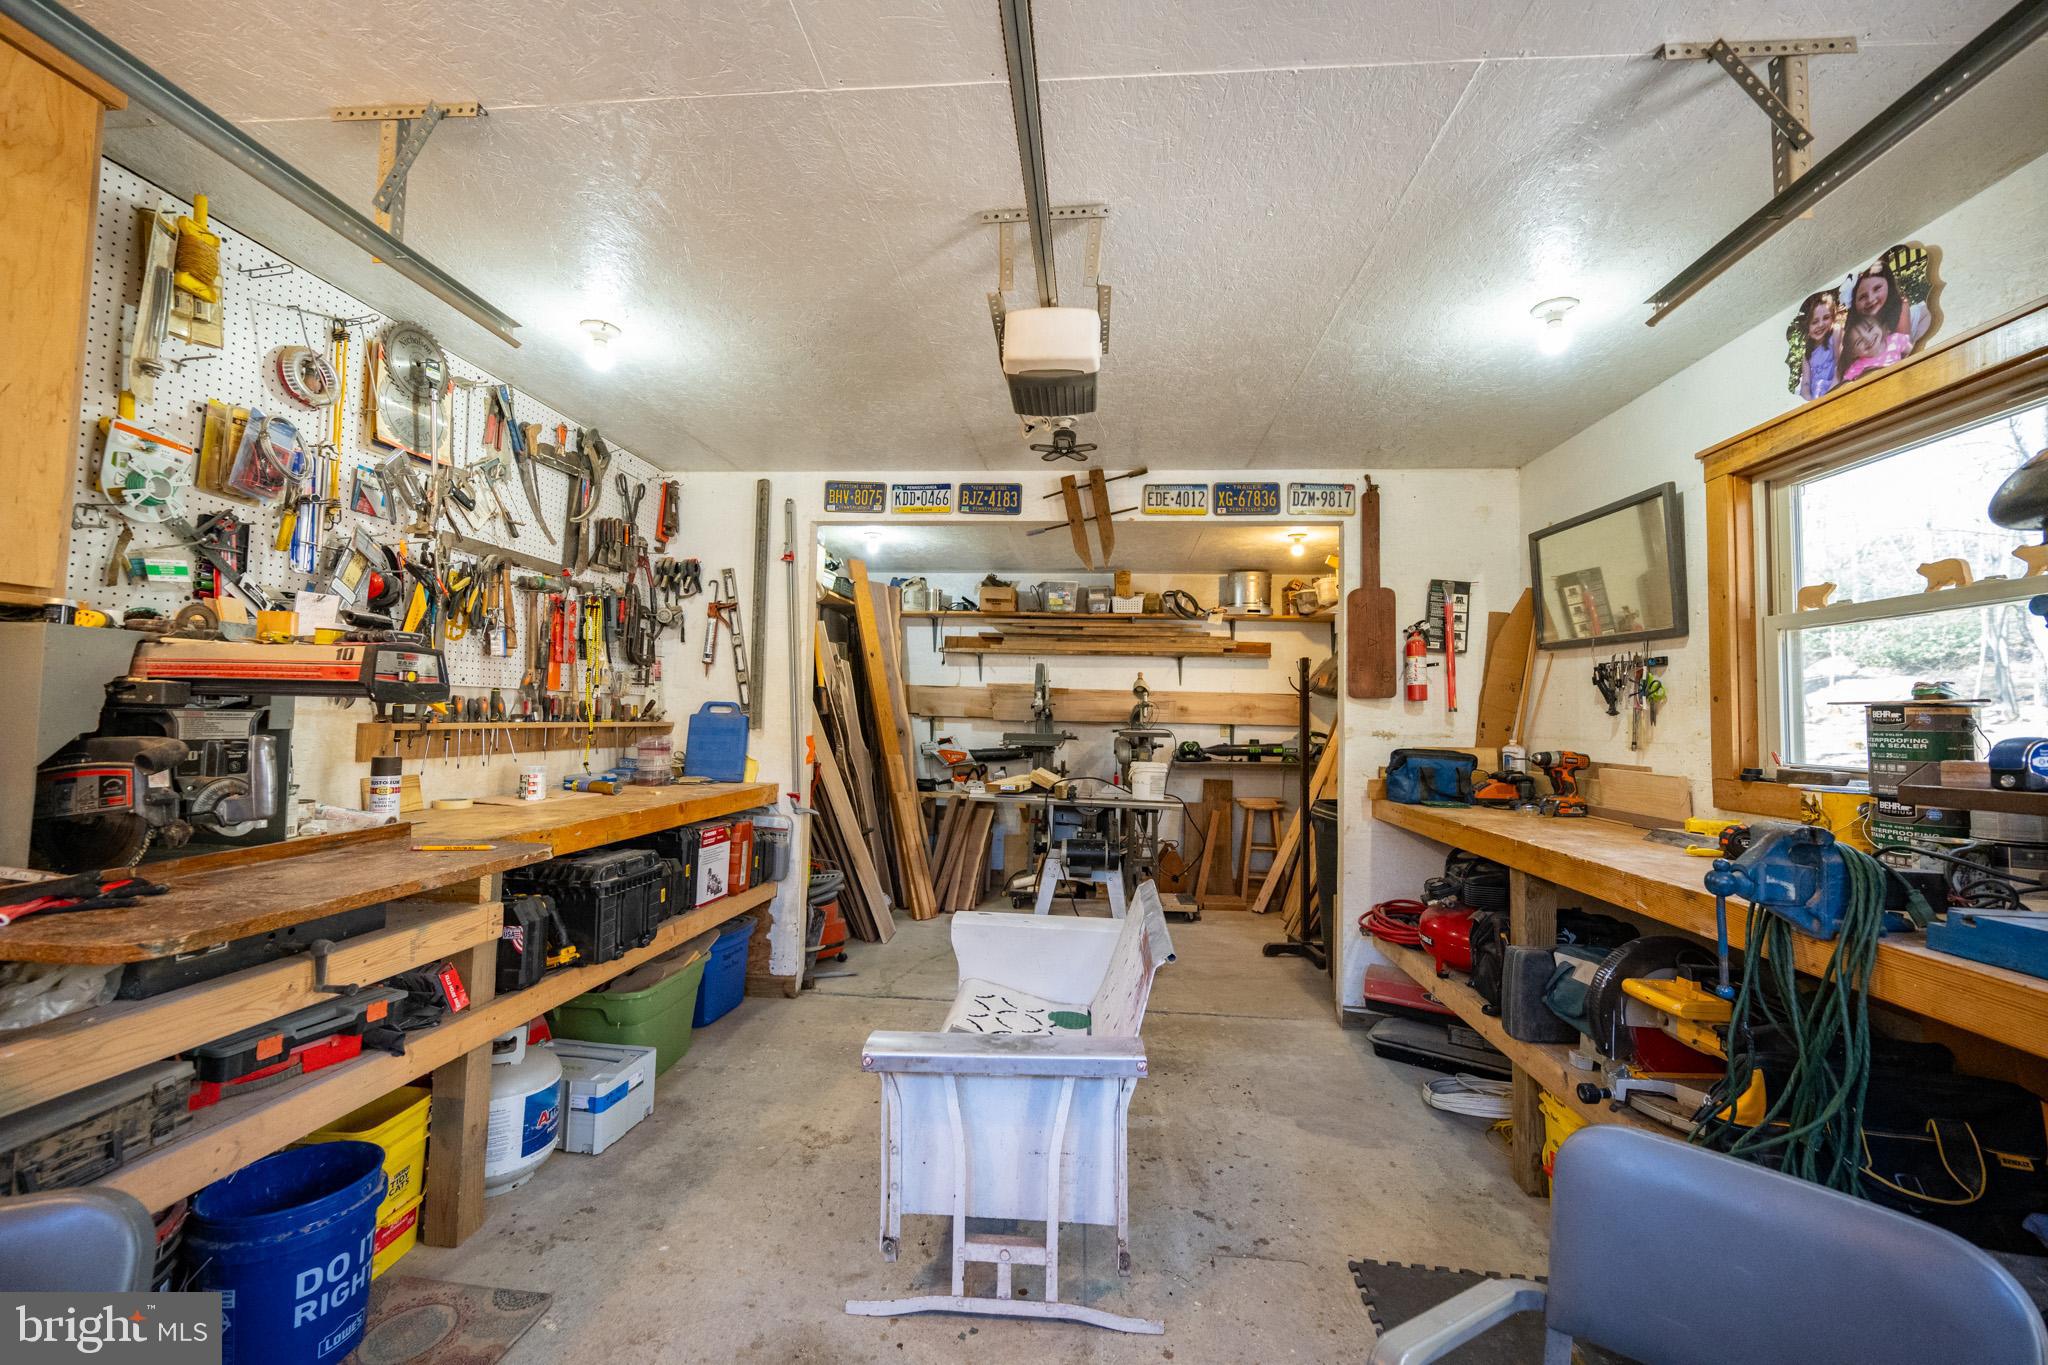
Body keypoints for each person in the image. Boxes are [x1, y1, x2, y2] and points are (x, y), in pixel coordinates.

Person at [1840, 261, 1923, 384]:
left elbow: (1909, 351)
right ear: (1854, 303)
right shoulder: (1855, 331)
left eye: (1877, 288)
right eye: (1862, 297)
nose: (1871, 299)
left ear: (1888, 285)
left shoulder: (1899, 307)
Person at [1793, 289, 1842, 400]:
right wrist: (1810, 400)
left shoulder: (1836, 333)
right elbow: (1805, 383)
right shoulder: (1807, 355)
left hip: (1835, 388)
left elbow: (1840, 367)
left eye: (1826, 318)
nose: (1821, 324)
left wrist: (1829, 394)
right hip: (1816, 397)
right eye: (1814, 322)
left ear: (1833, 317)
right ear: (1807, 327)